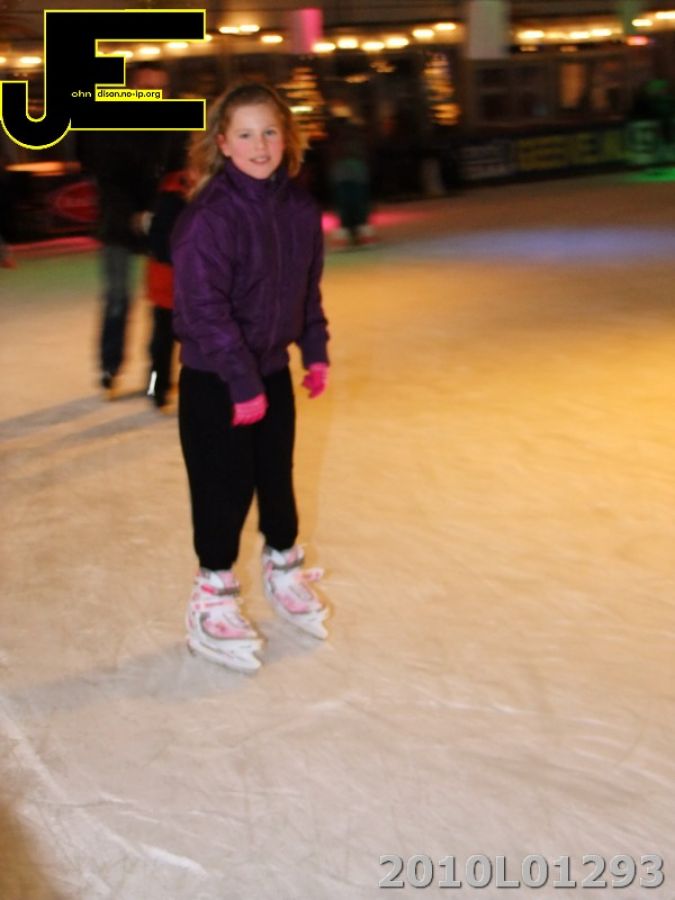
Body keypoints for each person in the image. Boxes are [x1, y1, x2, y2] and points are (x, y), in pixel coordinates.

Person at [171, 82, 331, 672]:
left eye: (269, 132)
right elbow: (202, 311)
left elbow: (306, 289)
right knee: (224, 490)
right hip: (217, 381)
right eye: (245, 134)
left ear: (287, 136)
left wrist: (314, 349)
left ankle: (283, 567)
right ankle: (211, 595)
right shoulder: (208, 219)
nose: (260, 146)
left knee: (276, 479)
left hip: (270, 371)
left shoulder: (299, 209)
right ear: (223, 143)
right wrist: (240, 383)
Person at [79, 62, 173, 397]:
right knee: (118, 297)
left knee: (164, 304)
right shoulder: (109, 128)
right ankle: (110, 367)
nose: (154, 96)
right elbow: (107, 178)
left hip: (160, 222)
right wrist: (132, 213)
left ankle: (157, 381)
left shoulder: (171, 129)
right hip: (118, 222)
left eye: (160, 90)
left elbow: (175, 174)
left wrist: (158, 211)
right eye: (146, 89)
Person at [145, 158, 191, 410]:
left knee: (195, 342)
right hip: (168, 284)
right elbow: (158, 243)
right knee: (162, 344)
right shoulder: (169, 198)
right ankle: (157, 387)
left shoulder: (202, 194)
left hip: (191, 285)